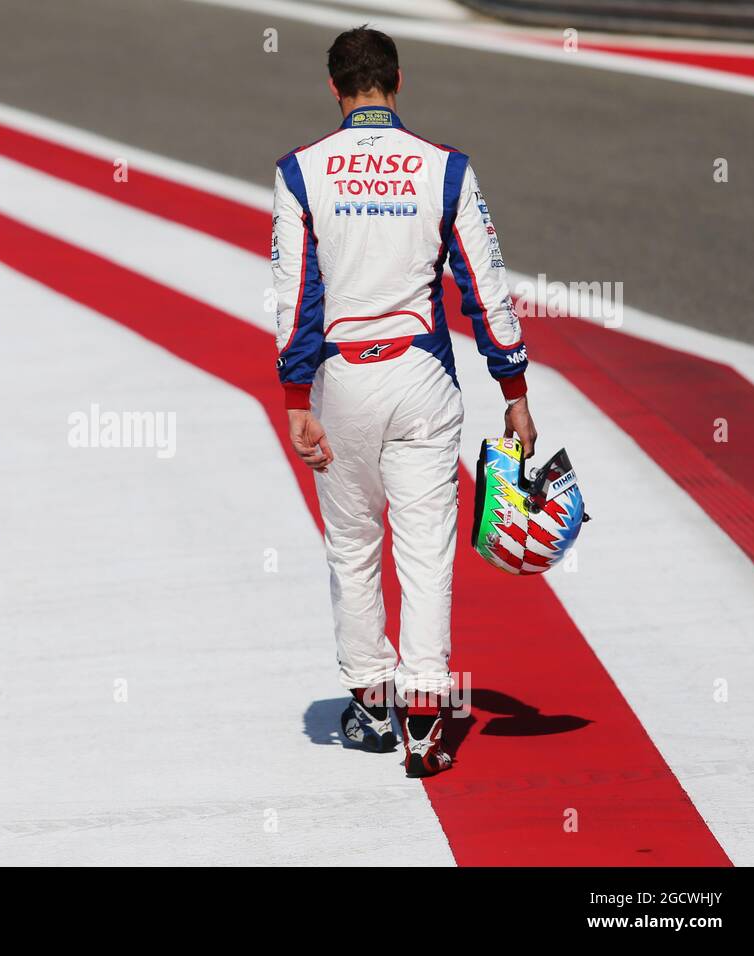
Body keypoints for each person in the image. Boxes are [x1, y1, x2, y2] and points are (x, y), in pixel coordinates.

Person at [271, 26, 537, 777]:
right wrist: (511, 387)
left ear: (334, 88)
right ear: (397, 80)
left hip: (342, 380)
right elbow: (484, 285)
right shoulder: (445, 168)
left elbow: (294, 297)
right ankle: (425, 723)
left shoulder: (300, 172)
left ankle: (366, 704)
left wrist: (296, 397)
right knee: (425, 554)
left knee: (353, 548)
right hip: (423, 379)